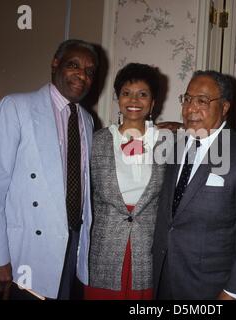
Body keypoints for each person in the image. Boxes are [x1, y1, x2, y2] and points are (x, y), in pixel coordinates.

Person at [0, 39, 98, 300]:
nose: (82, 75)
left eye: (89, 71)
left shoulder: (86, 120)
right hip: (23, 253)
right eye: (74, 65)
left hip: (70, 245)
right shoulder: (16, 107)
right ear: (55, 63)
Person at [152, 70, 236, 300]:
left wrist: (234, 290)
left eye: (202, 101)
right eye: (187, 99)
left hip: (209, 287)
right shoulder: (173, 143)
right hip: (163, 278)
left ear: (224, 107)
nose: (190, 108)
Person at [85, 63, 166, 300]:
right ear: (117, 98)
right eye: (126, 93)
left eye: (143, 94)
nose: (134, 100)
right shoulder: (96, 141)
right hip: (103, 250)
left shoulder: (166, 143)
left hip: (146, 250)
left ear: (153, 103)